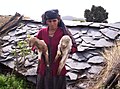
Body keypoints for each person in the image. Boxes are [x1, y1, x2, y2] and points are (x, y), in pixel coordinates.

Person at [33, 9, 77, 89]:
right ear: (46, 22)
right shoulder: (42, 32)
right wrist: (37, 49)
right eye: (49, 21)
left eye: (54, 21)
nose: (52, 23)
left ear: (58, 20)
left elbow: (74, 47)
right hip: (44, 69)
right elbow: (34, 45)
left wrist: (66, 50)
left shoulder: (64, 33)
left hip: (57, 69)